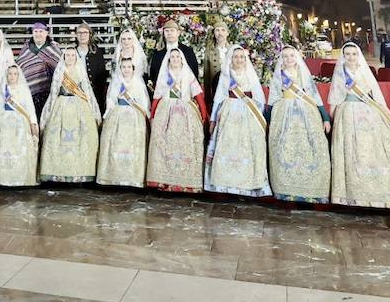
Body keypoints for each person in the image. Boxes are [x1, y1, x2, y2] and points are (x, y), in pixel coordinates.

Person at [328, 42, 390, 210]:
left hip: (368, 112)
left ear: (359, 56)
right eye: (347, 54)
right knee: (353, 152)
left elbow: (376, 95)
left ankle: (380, 191)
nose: (350, 57)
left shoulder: (364, 72)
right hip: (347, 113)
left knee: (375, 149)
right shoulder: (340, 74)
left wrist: (388, 115)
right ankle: (355, 193)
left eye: (353, 54)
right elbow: (335, 98)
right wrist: (332, 118)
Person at [266, 45, 331, 204]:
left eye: (292, 56)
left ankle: (312, 189)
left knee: (309, 148)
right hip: (284, 113)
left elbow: (314, 96)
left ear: (297, 58)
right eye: (286, 56)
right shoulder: (279, 76)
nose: (289, 59)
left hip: (306, 113)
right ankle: (285, 190)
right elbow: (273, 98)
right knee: (283, 149)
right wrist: (266, 121)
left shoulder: (303, 73)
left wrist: (325, 118)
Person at [204, 46, 270, 198]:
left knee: (247, 149)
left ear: (245, 60)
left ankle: (247, 185)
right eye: (236, 57)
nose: (239, 60)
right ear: (231, 59)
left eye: (242, 57)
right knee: (227, 148)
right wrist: (213, 120)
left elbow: (259, 98)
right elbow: (218, 99)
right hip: (228, 117)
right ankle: (226, 185)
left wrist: (260, 118)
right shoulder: (226, 76)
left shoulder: (250, 75)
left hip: (248, 117)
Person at [145, 46, 206, 194]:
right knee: (163, 142)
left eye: (178, 57)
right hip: (166, 111)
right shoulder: (164, 75)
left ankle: (186, 182)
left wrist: (203, 112)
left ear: (182, 59)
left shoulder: (187, 74)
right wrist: (152, 115)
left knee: (187, 142)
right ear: (168, 59)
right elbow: (157, 96)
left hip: (186, 111)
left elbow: (197, 94)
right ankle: (163, 180)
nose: (175, 59)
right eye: (172, 57)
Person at [38, 47, 101, 182]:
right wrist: (48, 111)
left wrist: (93, 109)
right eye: (68, 55)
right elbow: (54, 91)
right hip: (61, 104)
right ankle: (58, 174)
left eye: (73, 55)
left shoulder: (80, 70)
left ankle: (80, 173)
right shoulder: (60, 71)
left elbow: (87, 91)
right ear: (64, 56)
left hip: (80, 106)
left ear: (76, 57)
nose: (71, 57)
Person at [0, 64, 40, 187]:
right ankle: (1, 177)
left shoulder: (23, 89)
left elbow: (29, 107)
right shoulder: (3, 89)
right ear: (6, 75)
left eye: (15, 74)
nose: (12, 76)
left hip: (20, 121)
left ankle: (20, 178)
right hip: (4, 119)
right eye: (10, 74)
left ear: (18, 76)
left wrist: (33, 122)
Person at [96, 56, 149, 188]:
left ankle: (132, 178)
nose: (126, 70)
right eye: (124, 67)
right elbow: (111, 100)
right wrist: (108, 113)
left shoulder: (138, 83)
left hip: (134, 116)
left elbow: (143, 102)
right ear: (120, 68)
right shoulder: (116, 82)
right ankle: (114, 176)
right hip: (118, 114)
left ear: (133, 68)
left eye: (129, 67)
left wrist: (144, 115)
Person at [16, 22, 61, 116]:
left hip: (49, 93)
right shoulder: (26, 49)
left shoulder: (54, 48)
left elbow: (59, 69)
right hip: (29, 94)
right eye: (35, 31)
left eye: (41, 31)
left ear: (46, 33)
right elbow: (20, 67)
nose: (38, 34)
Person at [149, 19, 200, 95]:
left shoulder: (188, 51)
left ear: (178, 33)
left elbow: (194, 72)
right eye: (167, 31)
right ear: (164, 33)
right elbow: (154, 74)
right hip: (163, 94)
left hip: (184, 92)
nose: (169, 33)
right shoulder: (158, 53)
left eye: (172, 30)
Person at [75, 22, 108, 106]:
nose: (82, 35)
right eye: (80, 33)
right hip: (77, 93)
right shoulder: (72, 52)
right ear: (76, 35)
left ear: (90, 34)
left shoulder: (97, 52)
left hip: (95, 94)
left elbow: (102, 75)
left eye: (85, 32)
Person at [206, 20, 239, 96]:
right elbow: (207, 78)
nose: (220, 33)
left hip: (233, 91)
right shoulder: (209, 52)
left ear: (227, 33)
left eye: (223, 30)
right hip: (216, 90)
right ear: (214, 33)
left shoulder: (234, 50)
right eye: (217, 30)